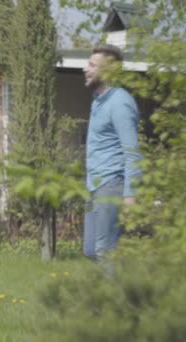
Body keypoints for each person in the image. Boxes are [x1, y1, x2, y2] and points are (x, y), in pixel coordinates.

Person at [82, 44, 142, 261]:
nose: (84, 69)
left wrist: (130, 194)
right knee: (91, 250)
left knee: (105, 250)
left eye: (91, 65)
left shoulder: (120, 102)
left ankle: (115, 294)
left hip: (111, 184)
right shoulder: (98, 101)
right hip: (94, 184)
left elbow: (133, 152)